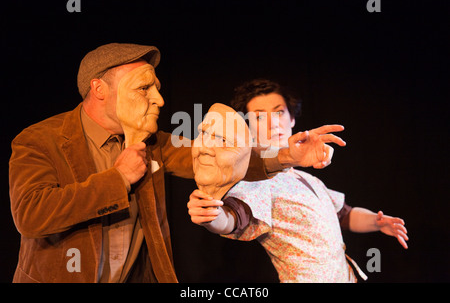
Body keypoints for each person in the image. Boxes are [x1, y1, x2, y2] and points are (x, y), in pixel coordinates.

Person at [9, 44, 347, 283]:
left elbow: (225, 157)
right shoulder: (40, 140)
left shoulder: (153, 142)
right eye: (144, 88)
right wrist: (118, 179)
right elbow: (31, 214)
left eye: (157, 87)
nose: (159, 99)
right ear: (99, 89)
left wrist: (287, 156)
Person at [188, 79, 409, 282]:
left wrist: (377, 222)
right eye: (259, 116)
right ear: (247, 127)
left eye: (279, 112)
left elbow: (343, 214)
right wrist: (212, 216)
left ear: (292, 118)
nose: (273, 123)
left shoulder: (308, 178)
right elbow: (234, 217)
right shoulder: (253, 183)